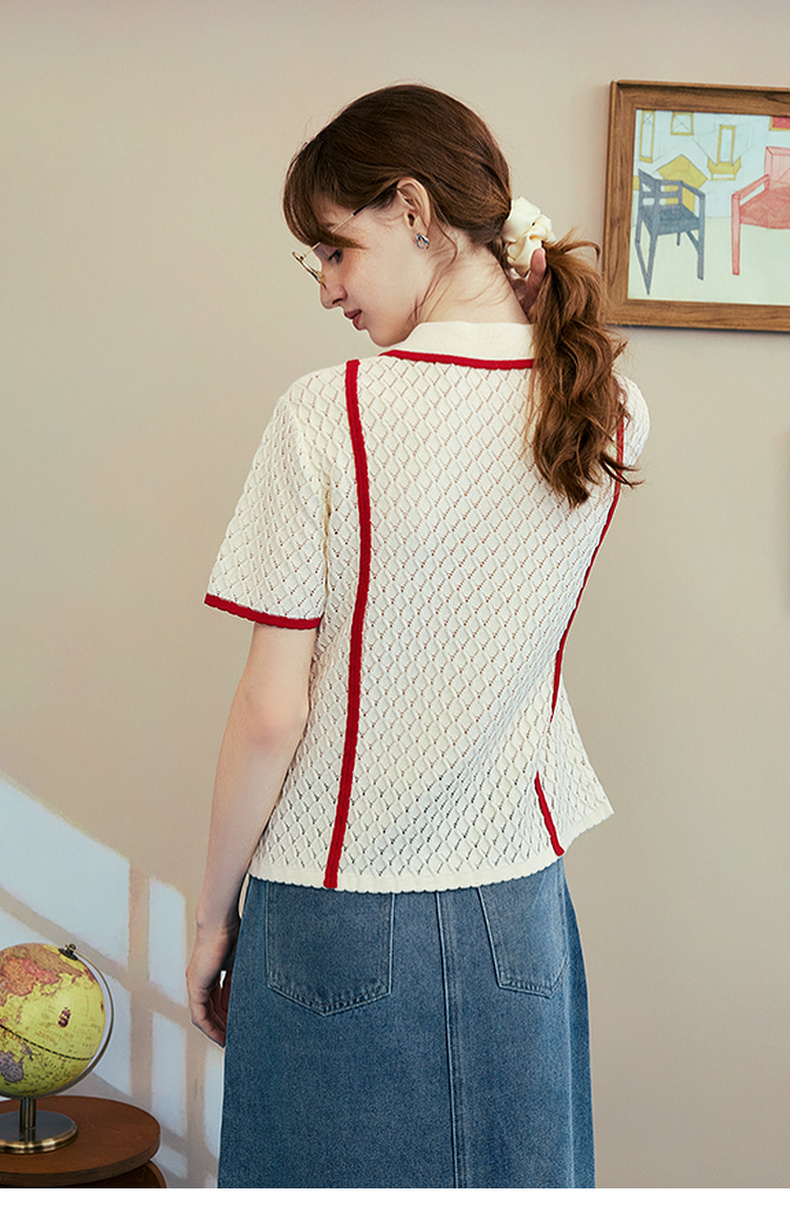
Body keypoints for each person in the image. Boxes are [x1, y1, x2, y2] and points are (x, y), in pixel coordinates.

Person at [186, 84, 649, 1189]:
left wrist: (210, 921)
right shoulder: (608, 408)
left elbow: (271, 710)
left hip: (332, 909)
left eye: (334, 248)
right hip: (519, 913)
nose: (328, 288)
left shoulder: (329, 412)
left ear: (412, 207)